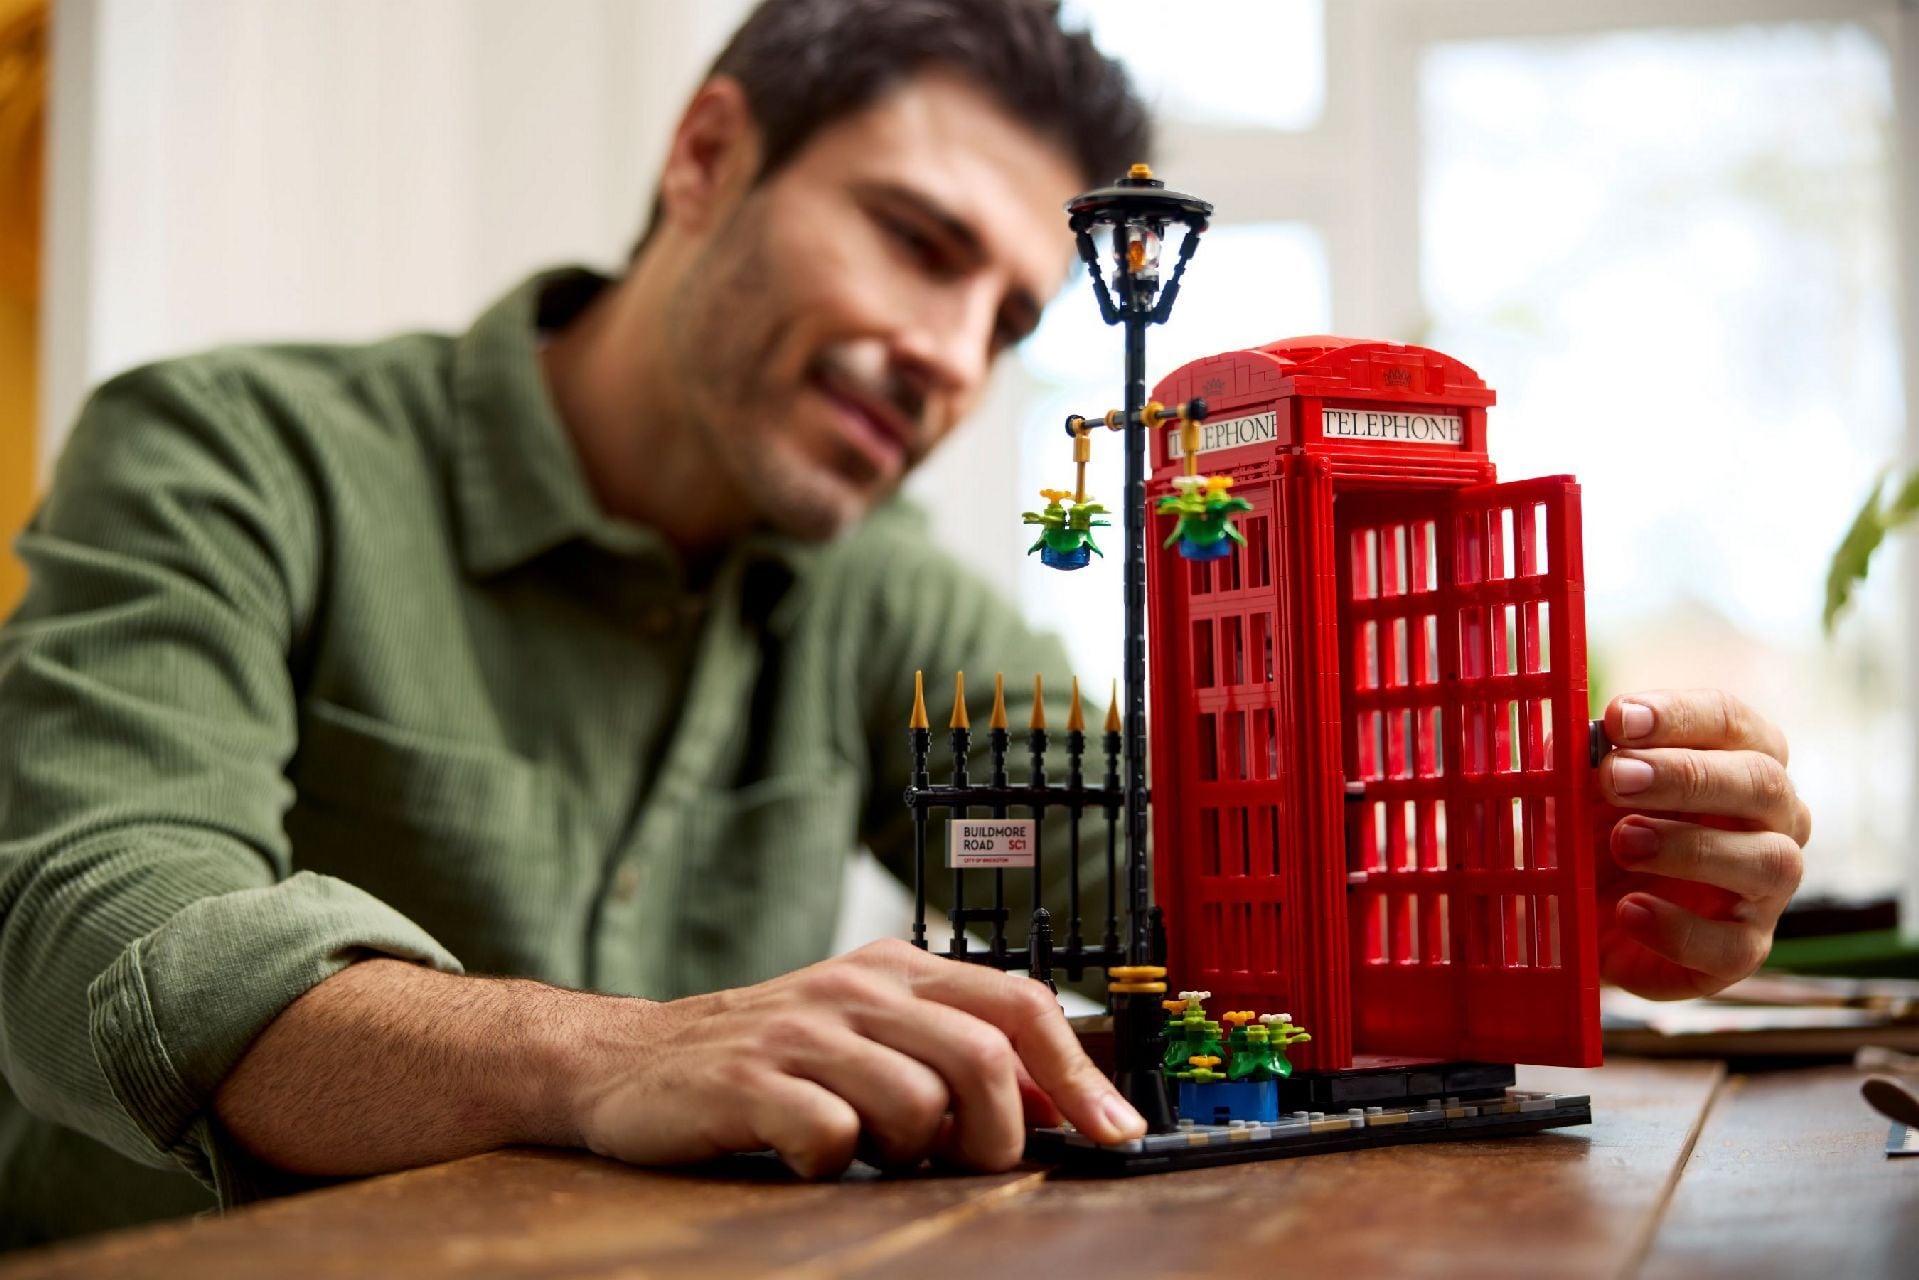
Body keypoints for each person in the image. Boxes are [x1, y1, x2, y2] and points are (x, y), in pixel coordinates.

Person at [0, 0, 1809, 1246]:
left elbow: (1166, 884)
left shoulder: (888, 599)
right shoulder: (228, 451)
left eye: (1011, 318)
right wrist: (609, 1051)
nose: (955, 356)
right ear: (707, 155)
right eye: (917, 240)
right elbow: (100, 934)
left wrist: (1551, 871)